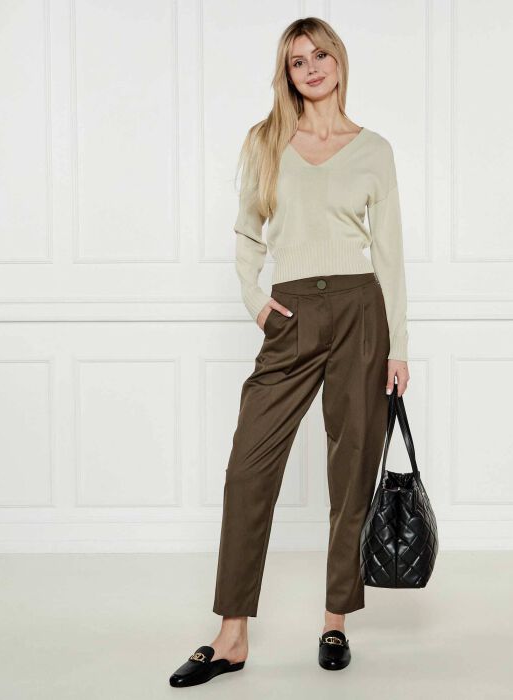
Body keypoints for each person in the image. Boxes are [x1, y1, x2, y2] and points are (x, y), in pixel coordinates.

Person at [169, 16, 410, 688]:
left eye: (320, 54)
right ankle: (231, 636)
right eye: (297, 60)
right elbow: (248, 233)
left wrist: (399, 346)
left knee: (352, 467)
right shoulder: (266, 142)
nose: (311, 67)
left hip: (362, 311)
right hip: (293, 313)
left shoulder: (374, 149)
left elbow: (390, 252)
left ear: (339, 60)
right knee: (249, 468)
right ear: (287, 73)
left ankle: (336, 620)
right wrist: (255, 300)